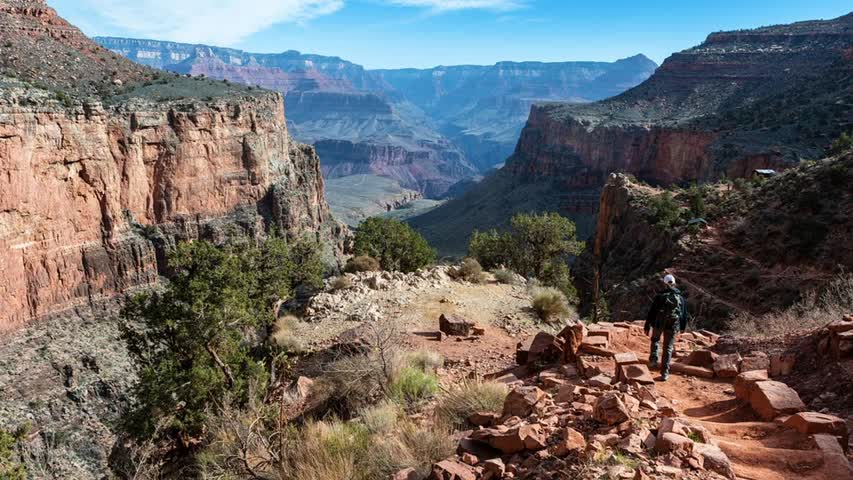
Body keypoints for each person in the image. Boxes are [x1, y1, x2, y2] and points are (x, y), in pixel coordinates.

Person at [644, 274, 688, 381]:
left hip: (659, 323)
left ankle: (653, 360)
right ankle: (664, 373)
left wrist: (647, 325)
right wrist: (682, 327)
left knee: (655, 339)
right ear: (674, 283)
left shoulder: (659, 297)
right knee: (668, 348)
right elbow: (683, 314)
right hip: (673, 324)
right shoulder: (680, 298)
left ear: (664, 284)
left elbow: (652, 312)